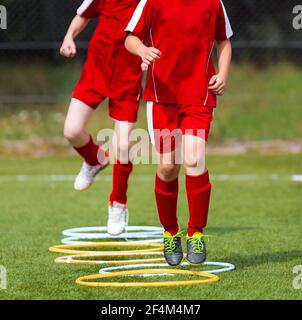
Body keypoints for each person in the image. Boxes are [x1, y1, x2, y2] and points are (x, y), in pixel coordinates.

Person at [125, 0, 233, 265]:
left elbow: (225, 41)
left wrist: (223, 74)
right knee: (167, 167)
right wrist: (143, 50)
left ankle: (196, 232)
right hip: (162, 96)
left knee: (195, 158)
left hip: (199, 95)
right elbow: (130, 37)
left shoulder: (213, 3)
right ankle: (170, 232)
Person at [60, 0, 142, 235]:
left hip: (127, 79)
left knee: (123, 145)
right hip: (96, 73)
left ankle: (118, 203)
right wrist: (69, 37)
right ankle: (95, 159)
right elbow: (82, 16)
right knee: (72, 131)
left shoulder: (151, 2)